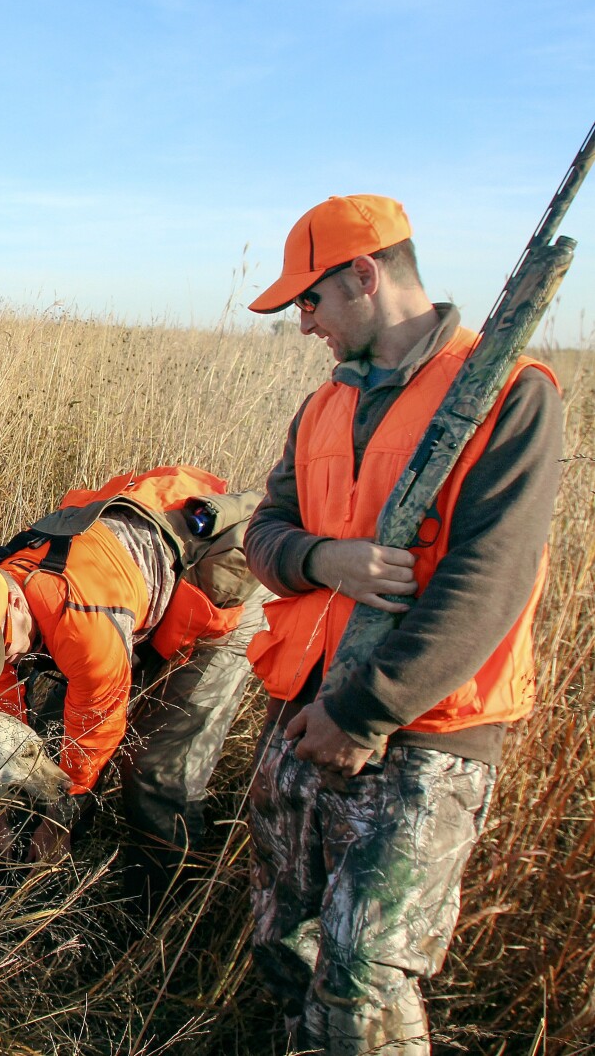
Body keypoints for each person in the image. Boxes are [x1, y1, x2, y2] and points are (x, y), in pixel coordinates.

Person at [242, 194, 563, 1054]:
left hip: (421, 733)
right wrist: (324, 560)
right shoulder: (321, 408)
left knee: (361, 981)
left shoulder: (507, 396)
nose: (303, 325)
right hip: (301, 714)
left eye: (308, 301)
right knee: (282, 947)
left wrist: (363, 713)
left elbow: (487, 587)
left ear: (362, 274)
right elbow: (262, 537)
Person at [0, 465, 267, 914]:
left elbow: (95, 732)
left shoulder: (82, 625)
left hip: (216, 598)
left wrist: (61, 821)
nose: (3, 661)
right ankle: (21, 873)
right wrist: (0, 808)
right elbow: (6, 716)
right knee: (46, 735)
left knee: (157, 768)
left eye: (1, 648)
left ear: (13, 601)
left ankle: (157, 909)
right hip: (131, 597)